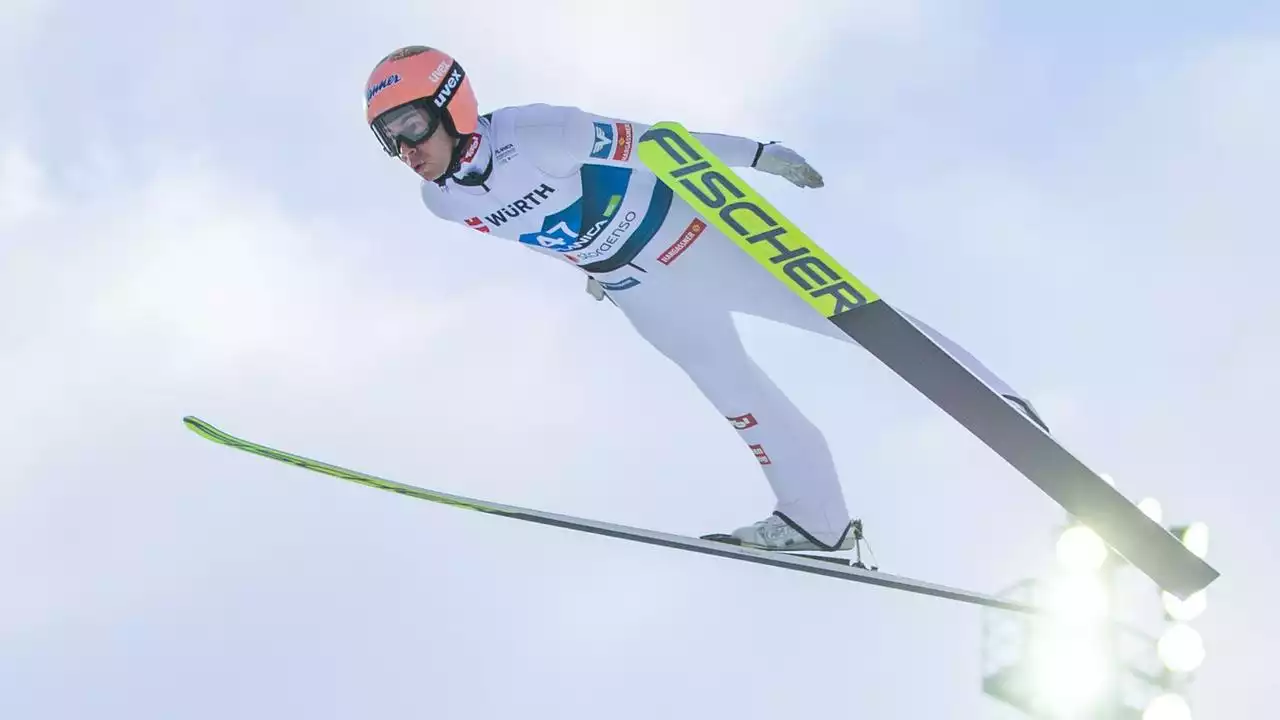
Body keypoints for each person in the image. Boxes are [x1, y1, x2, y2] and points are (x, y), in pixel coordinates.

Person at [363, 45, 1044, 553]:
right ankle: (817, 521)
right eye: (388, 139)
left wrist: (756, 154)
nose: (406, 150)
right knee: (739, 398)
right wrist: (589, 267)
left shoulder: (541, 132)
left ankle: (998, 402)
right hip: (643, 290)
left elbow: (660, 146)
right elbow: (538, 225)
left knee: (851, 318)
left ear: (452, 102)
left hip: (697, 240)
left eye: (412, 126)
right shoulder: (442, 203)